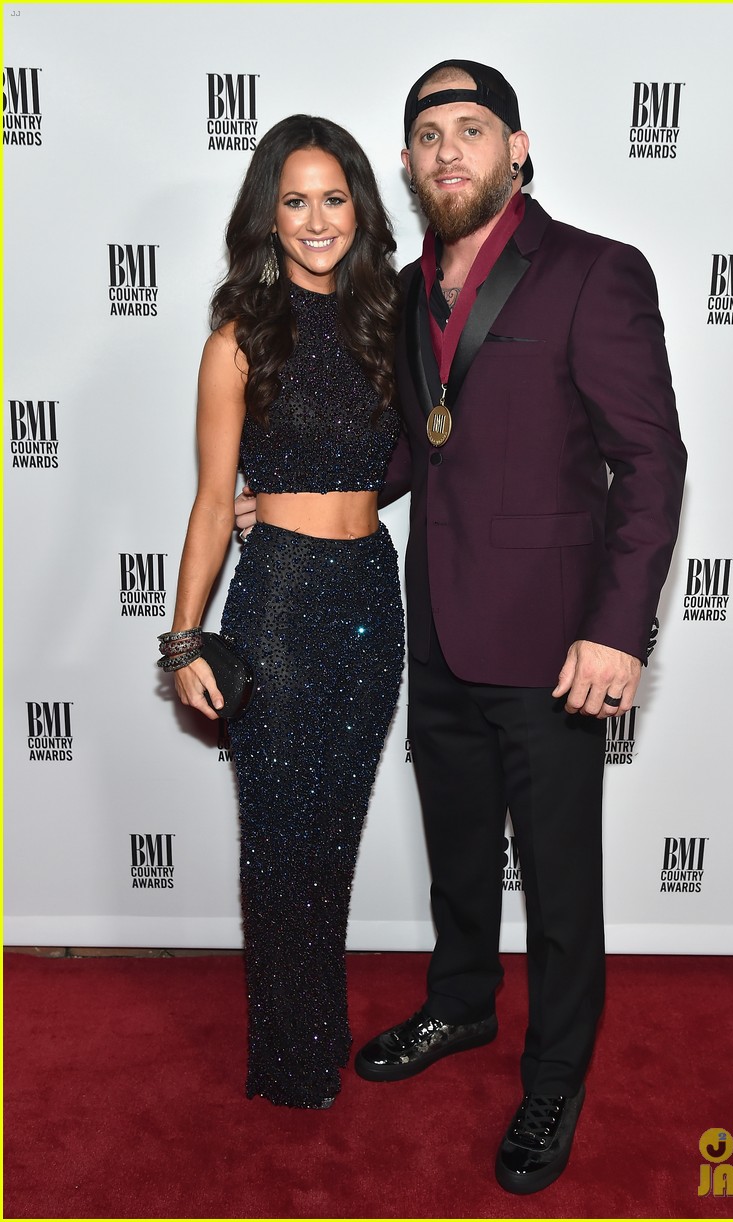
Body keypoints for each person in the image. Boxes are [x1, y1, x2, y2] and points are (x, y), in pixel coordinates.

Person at [237, 61, 686, 1191]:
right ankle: (460, 1002)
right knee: (459, 849)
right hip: (429, 622)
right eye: (429, 133)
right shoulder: (399, 292)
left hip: (554, 641)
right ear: (405, 162)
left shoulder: (595, 271)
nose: (449, 150)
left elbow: (650, 462)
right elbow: (416, 442)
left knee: (560, 877)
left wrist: (618, 630)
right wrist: (303, 491)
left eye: (472, 128)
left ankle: (556, 1075)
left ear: (515, 149)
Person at [160, 115, 404, 1110]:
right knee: (278, 839)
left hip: (371, 600)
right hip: (282, 604)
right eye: (294, 201)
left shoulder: (388, 322)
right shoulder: (239, 341)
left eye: (332, 198)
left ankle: (316, 1020)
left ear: (360, 208)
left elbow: (422, 450)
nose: (315, 220)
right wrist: (184, 638)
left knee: (333, 834)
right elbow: (213, 502)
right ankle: (291, 1052)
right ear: (267, 217)